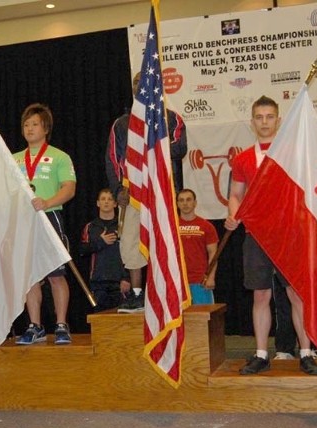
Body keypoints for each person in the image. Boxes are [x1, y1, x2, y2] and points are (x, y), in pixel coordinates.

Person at [224, 95, 317, 376]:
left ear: (278, 121)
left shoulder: (293, 153)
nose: (264, 122)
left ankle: (305, 353)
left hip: (290, 236)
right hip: (257, 237)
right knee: (261, 296)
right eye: (259, 117)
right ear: (252, 122)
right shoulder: (243, 159)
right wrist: (233, 215)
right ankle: (261, 353)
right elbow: (235, 195)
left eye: (269, 117)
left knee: (296, 295)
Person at [105, 72, 187, 312]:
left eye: (147, 83)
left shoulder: (172, 119)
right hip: (133, 195)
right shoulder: (122, 124)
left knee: (164, 241)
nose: (142, 87)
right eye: (137, 84)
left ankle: (166, 291)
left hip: (163, 194)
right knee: (131, 242)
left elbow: (180, 147)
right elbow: (112, 158)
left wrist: (150, 142)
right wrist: (118, 188)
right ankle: (137, 295)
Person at [13, 103, 76, 345]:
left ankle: (61, 324)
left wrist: (47, 202)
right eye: (26, 125)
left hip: (50, 217)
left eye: (34, 124)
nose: (29, 129)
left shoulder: (60, 156)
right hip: (23, 221)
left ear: (45, 128)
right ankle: (35, 325)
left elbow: (69, 189)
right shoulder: (14, 159)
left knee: (56, 274)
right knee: (29, 276)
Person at [79, 188, 130, 312]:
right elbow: (82, 250)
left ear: (115, 204)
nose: (106, 202)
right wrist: (100, 242)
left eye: (110, 199)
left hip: (119, 282)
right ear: (98, 203)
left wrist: (126, 278)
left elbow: (131, 254)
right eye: (103, 199)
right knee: (100, 322)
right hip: (98, 282)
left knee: (121, 324)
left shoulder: (124, 225)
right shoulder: (90, 227)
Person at [176, 188, 219, 304]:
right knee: (180, 321)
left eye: (189, 200)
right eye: (181, 200)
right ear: (178, 204)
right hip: (177, 282)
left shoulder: (207, 226)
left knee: (203, 320)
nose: (185, 203)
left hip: (200, 281)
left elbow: (213, 254)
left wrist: (211, 277)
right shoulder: (171, 227)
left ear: (195, 203)